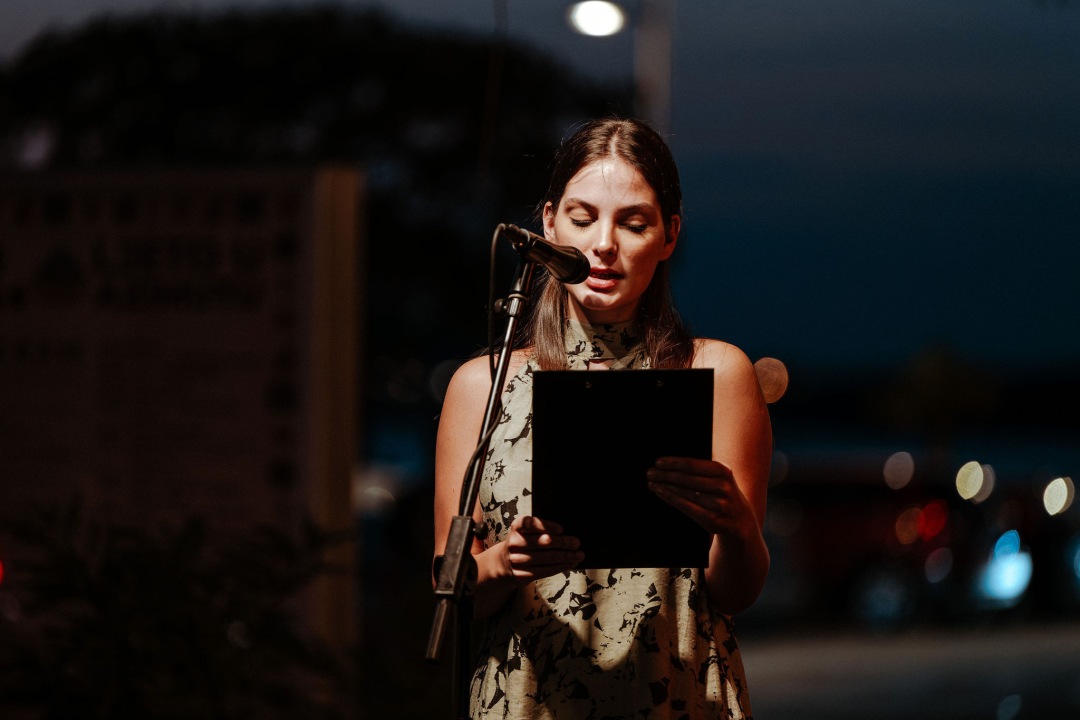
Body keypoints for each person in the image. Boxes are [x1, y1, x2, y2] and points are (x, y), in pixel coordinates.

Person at [434, 117, 772, 719]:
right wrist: (503, 562)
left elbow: (734, 593)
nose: (604, 244)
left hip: (676, 694)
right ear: (548, 223)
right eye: (583, 218)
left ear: (669, 235)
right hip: (528, 701)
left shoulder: (717, 372)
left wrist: (738, 527)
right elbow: (452, 590)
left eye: (633, 222)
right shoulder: (480, 386)